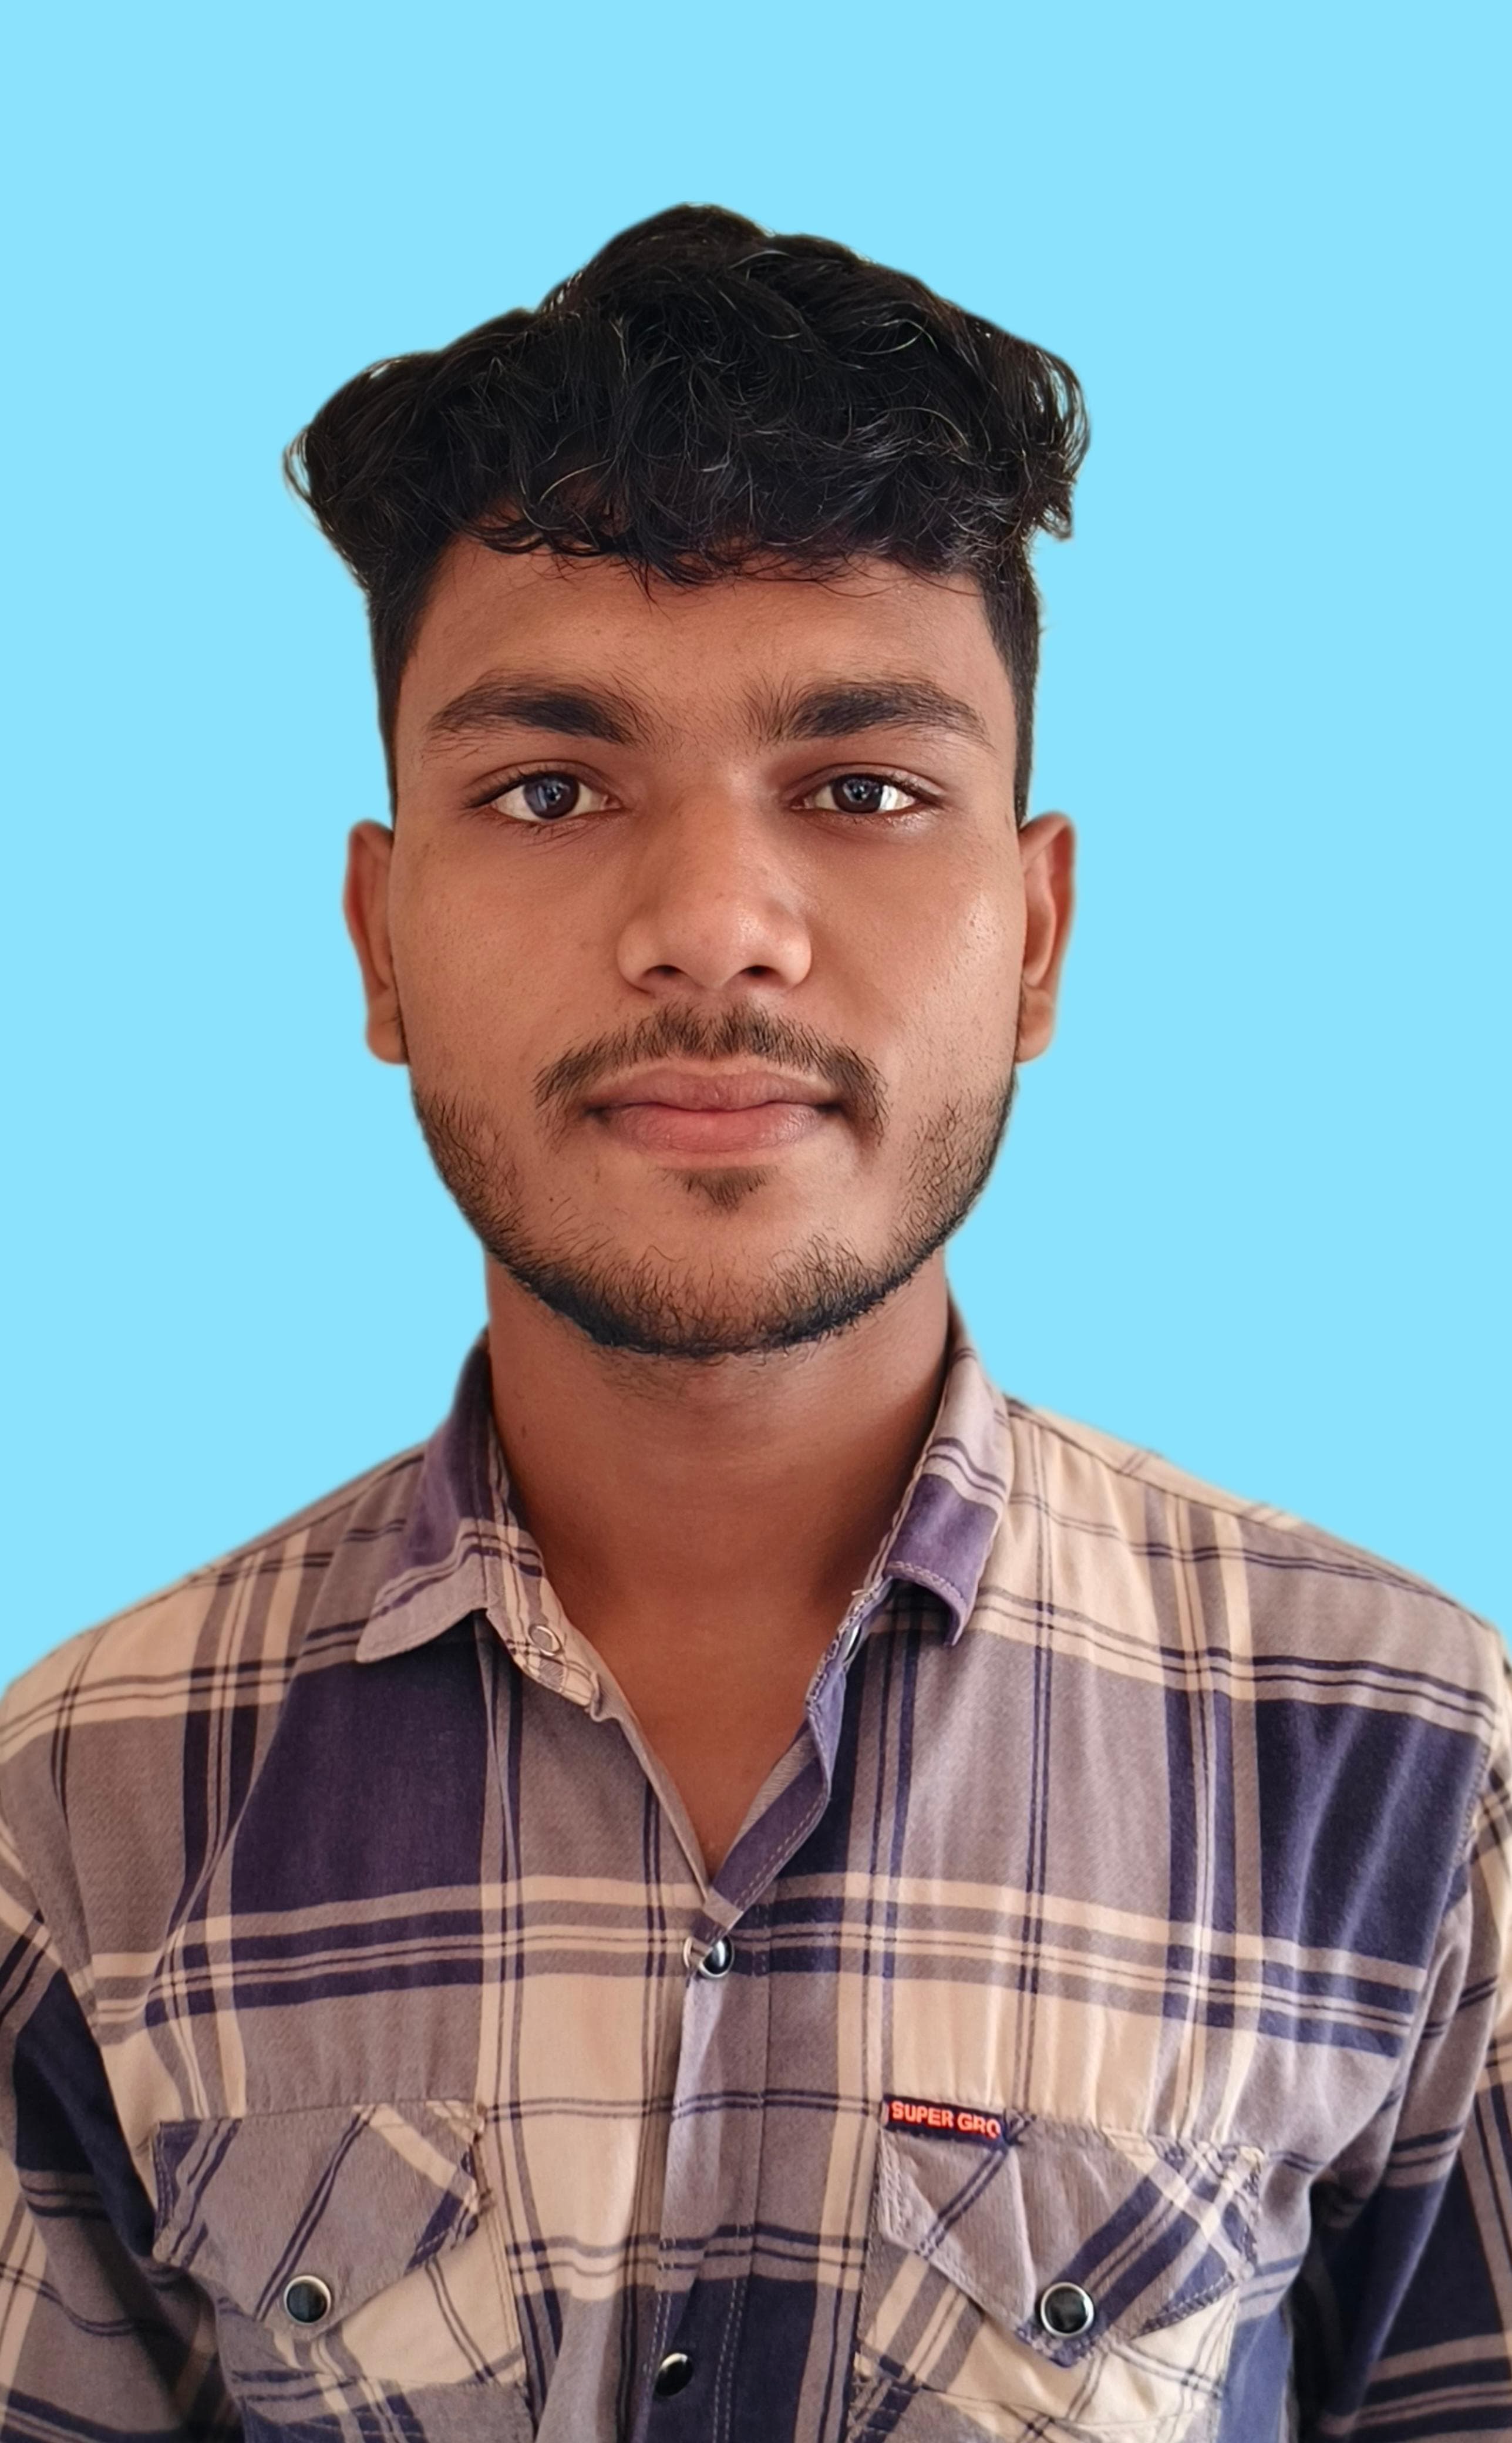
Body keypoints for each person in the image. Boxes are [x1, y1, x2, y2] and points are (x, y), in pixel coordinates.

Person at [0, 205, 1505, 2443]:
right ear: (382, 939)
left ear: (1036, 936)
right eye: (549, 790)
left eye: (864, 789)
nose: (714, 923)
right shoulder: (84, 1809)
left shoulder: (1402, 1766)